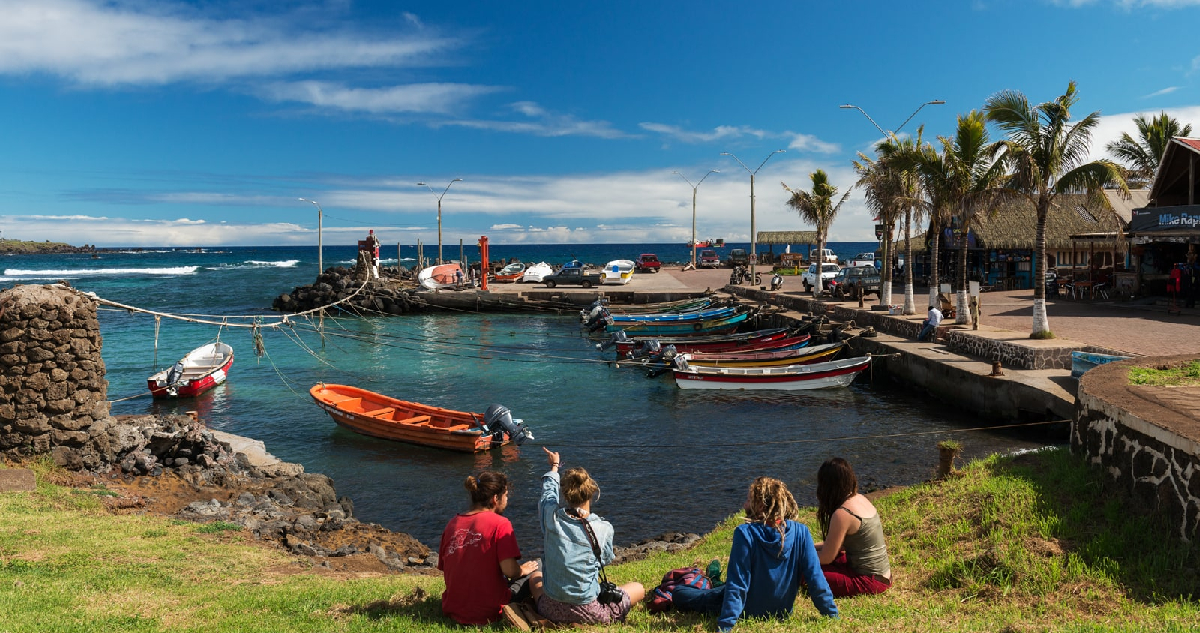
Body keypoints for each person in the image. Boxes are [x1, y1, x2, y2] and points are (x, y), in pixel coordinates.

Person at [670, 477, 838, 631]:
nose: (744, 505)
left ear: (761, 506)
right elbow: (816, 579)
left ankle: (707, 582)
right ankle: (713, 581)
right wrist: (832, 615)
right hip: (782, 611)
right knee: (723, 587)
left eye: (749, 501)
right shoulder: (802, 532)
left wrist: (725, 626)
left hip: (746, 609)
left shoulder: (745, 533)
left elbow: (738, 585)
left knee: (679, 592)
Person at [535, 447, 645, 625]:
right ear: (592, 492)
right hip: (588, 611)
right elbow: (605, 559)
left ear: (566, 494)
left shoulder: (551, 518)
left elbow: (547, 495)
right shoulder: (603, 528)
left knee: (535, 578)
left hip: (550, 608)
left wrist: (554, 466)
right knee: (638, 588)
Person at [437, 471, 540, 625]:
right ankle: (548, 609)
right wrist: (523, 570)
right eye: (505, 495)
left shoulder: (452, 524)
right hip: (490, 611)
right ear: (495, 499)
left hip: (454, 608)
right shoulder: (500, 524)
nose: (507, 499)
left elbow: (448, 566)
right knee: (539, 565)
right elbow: (510, 571)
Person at [814, 458, 891, 598]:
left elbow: (826, 557)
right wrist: (810, 547)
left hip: (868, 581)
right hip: (882, 576)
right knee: (831, 559)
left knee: (804, 571)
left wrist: (799, 557)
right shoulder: (860, 498)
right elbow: (838, 547)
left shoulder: (842, 513)